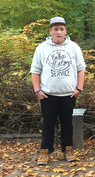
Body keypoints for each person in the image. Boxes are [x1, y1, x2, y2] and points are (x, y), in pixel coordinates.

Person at [30, 16, 86, 165]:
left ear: (65, 31)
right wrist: (37, 91)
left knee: (67, 124)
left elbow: (81, 69)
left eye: (61, 29)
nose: (59, 32)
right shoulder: (41, 48)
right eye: (56, 29)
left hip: (69, 95)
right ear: (51, 31)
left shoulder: (73, 47)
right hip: (48, 95)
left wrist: (79, 88)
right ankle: (45, 152)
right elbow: (35, 71)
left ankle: (68, 150)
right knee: (48, 125)